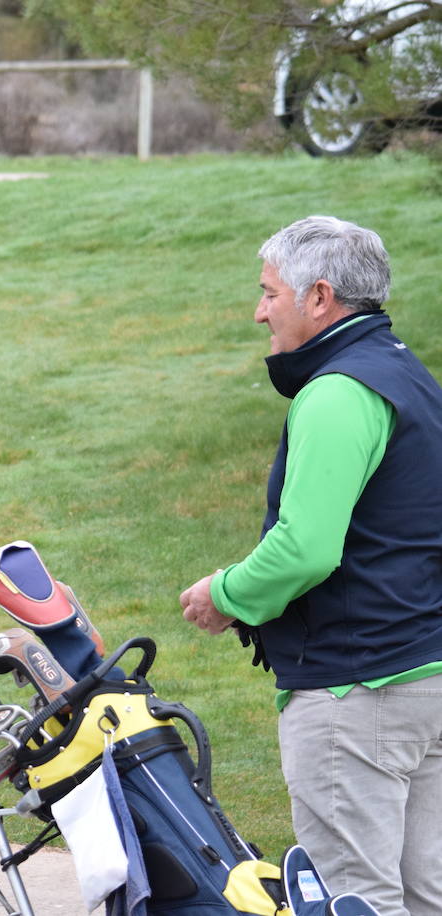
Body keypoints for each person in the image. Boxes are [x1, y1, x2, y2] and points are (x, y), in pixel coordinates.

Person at [179, 215, 442, 916]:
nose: (259, 309)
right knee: (424, 897)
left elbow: (306, 548)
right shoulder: (411, 378)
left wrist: (224, 593)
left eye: (269, 292)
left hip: (357, 690)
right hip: (426, 678)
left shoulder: (338, 391)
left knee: (356, 899)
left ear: (319, 297)